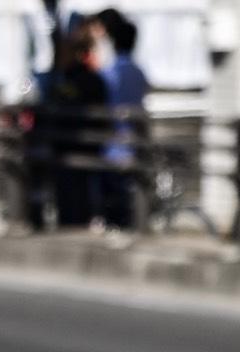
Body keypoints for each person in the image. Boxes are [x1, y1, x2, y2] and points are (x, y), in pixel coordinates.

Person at [45, 23, 110, 228]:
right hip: (90, 147)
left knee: (69, 192)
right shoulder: (94, 80)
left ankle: (71, 222)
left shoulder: (64, 81)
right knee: (83, 191)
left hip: (68, 147)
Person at [92, 11, 150, 229]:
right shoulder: (139, 72)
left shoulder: (109, 72)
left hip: (112, 144)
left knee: (111, 199)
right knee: (130, 198)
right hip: (135, 143)